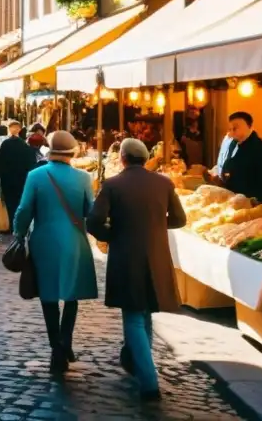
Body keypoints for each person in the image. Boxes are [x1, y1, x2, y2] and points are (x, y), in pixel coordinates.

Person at [87, 138, 187, 402]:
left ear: (122, 158)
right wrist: (153, 225)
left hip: (126, 255)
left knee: (133, 315)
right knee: (145, 313)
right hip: (156, 255)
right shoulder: (164, 183)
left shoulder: (113, 184)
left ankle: (148, 380)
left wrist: (111, 233)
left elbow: (94, 221)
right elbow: (179, 219)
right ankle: (136, 363)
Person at [14, 130, 98, 372]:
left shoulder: (35, 175)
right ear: (72, 153)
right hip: (75, 240)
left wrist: (19, 233)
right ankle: (65, 341)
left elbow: (24, 210)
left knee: (49, 296)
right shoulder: (83, 177)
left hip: (44, 241)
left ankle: (55, 347)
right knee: (71, 295)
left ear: (48, 151)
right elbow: (89, 210)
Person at [219, 112, 262, 202]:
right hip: (237, 197)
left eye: (236, 127)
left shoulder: (261, 149)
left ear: (250, 126)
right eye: (230, 128)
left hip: (255, 200)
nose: (232, 131)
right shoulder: (235, 144)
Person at [0, 119, 39, 227]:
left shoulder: (5, 144)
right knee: (19, 202)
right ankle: (18, 223)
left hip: (7, 179)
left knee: (10, 203)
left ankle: (11, 224)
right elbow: (31, 165)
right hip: (22, 179)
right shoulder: (25, 146)